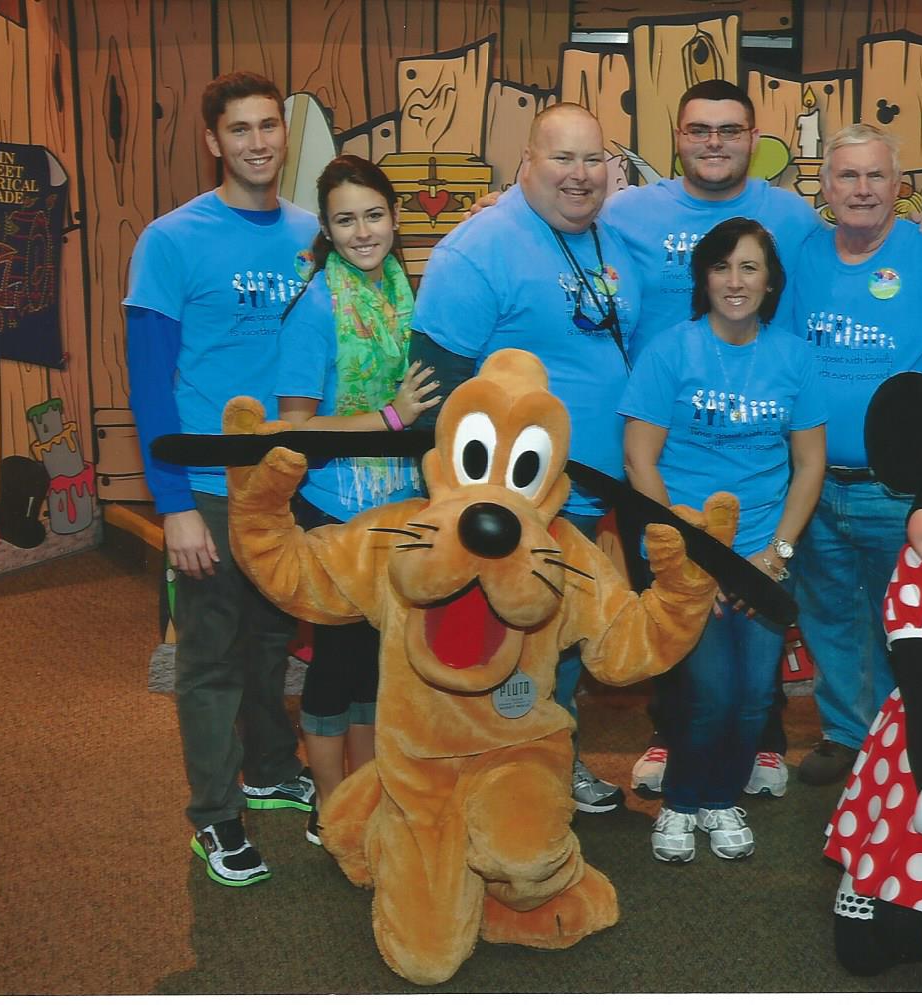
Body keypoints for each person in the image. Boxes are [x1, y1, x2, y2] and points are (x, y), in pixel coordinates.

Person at [406, 103, 642, 813]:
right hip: (509, 504)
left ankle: (549, 763)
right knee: (496, 645)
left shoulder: (611, 236)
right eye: (562, 158)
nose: (579, 174)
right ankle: (485, 786)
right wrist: (460, 507)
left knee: (557, 640)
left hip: (587, 495)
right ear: (526, 164)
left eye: (592, 159)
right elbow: (436, 393)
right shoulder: (477, 249)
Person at [125, 71, 319, 886]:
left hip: (286, 482)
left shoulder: (313, 233)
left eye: (268, 126)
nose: (257, 142)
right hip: (206, 482)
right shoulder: (170, 240)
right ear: (213, 141)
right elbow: (148, 380)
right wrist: (173, 504)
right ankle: (214, 815)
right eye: (239, 129)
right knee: (209, 655)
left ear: (284, 133)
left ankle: (269, 767)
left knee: (273, 639)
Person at [787, 123, 922, 786]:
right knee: (829, 615)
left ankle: (908, 739)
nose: (863, 188)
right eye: (848, 175)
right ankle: (847, 734)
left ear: (899, 186)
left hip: (898, 487)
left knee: (905, 618)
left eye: (876, 175)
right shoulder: (801, 257)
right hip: (813, 482)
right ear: (825, 187)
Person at [619, 218, 826, 862]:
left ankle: (721, 798)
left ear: (770, 283)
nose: (735, 282)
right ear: (703, 278)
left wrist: (776, 557)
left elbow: (809, 466)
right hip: (691, 556)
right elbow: (639, 459)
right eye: (721, 267)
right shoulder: (669, 352)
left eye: (749, 268)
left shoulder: (794, 357)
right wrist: (689, 559)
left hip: (765, 554)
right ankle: (682, 802)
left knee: (754, 697)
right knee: (707, 695)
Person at [274, 154, 441, 844]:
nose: (363, 232)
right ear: (327, 227)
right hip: (335, 512)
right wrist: (388, 419)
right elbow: (291, 427)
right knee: (337, 665)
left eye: (374, 215)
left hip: (401, 507)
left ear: (396, 217)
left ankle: (367, 795)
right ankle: (328, 803)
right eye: (346, 220)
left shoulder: (407, 294)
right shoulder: (316, 307)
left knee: (379, 666)